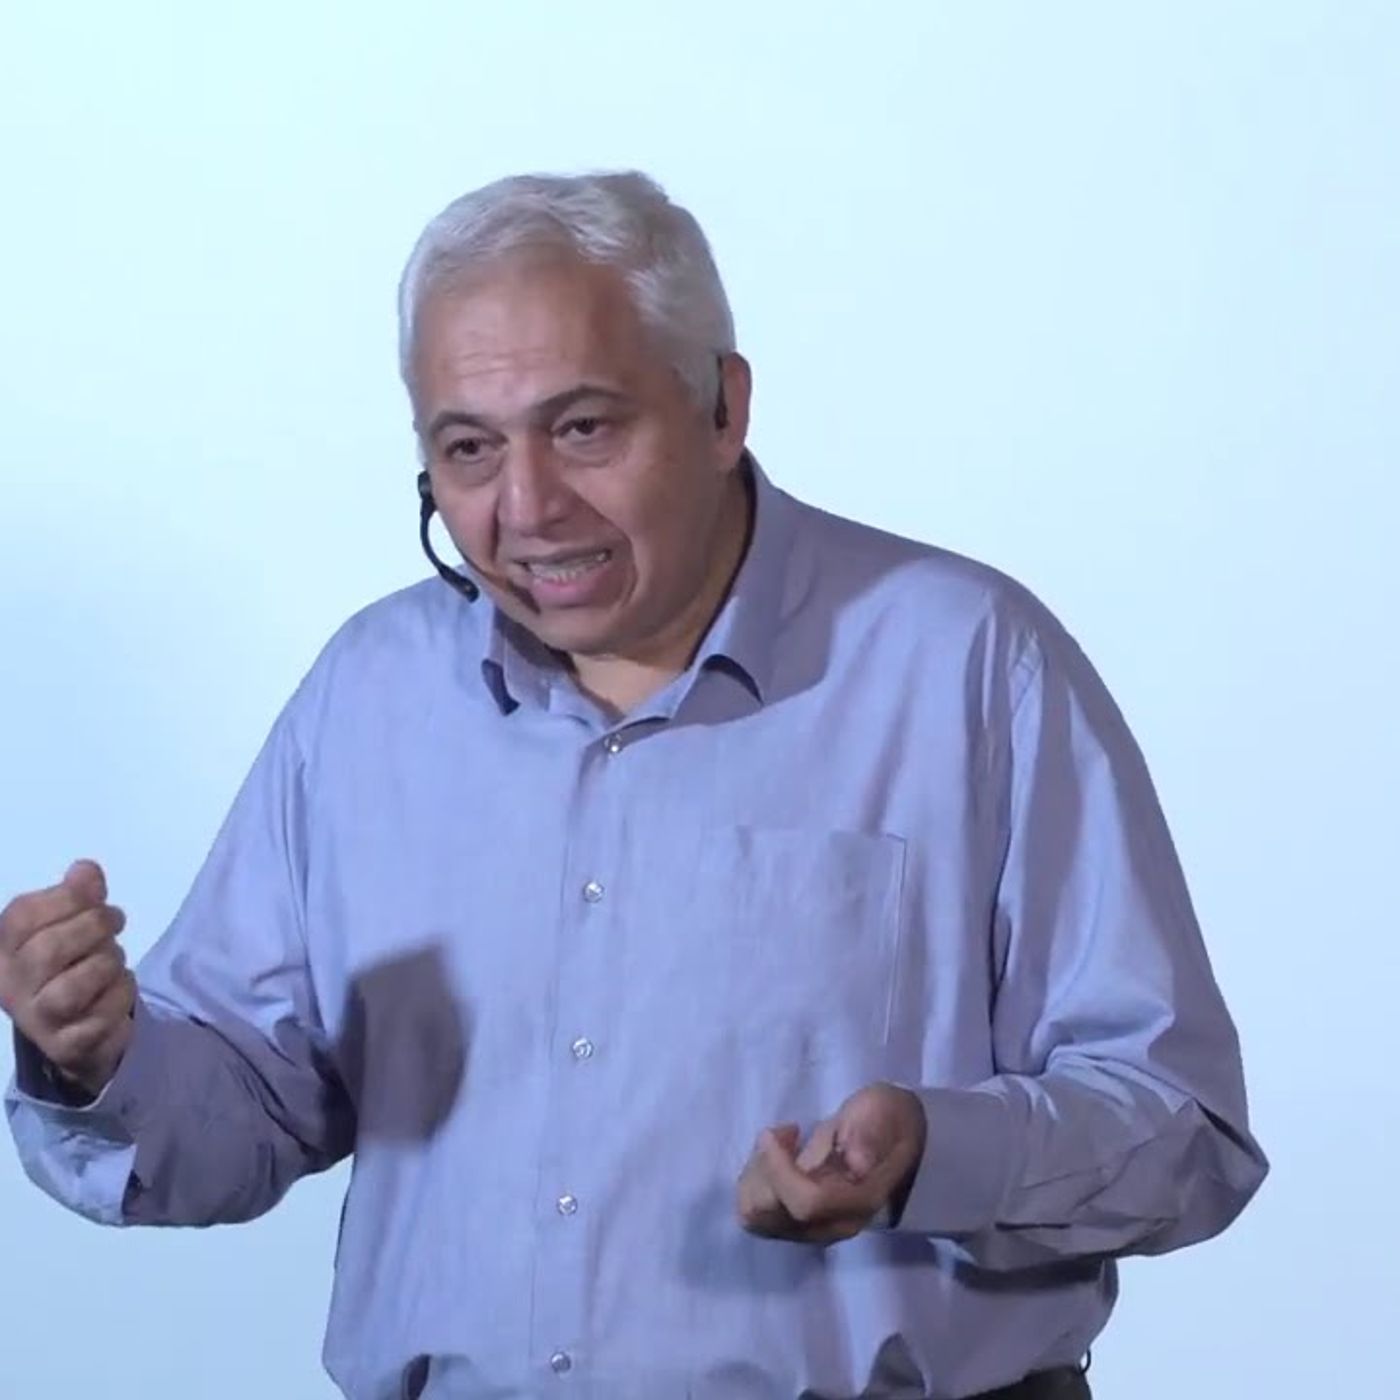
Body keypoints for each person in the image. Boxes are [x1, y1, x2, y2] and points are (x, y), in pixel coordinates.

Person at [1, 170, 1267, 1400]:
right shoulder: (367, 696)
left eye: (583, 428)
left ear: (722, 407)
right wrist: (97, 1060)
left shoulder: (965, 662)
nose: (527, 507)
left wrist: (933, 1154)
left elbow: (1178, 1125)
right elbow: (244, 1109)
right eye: (468, 448)